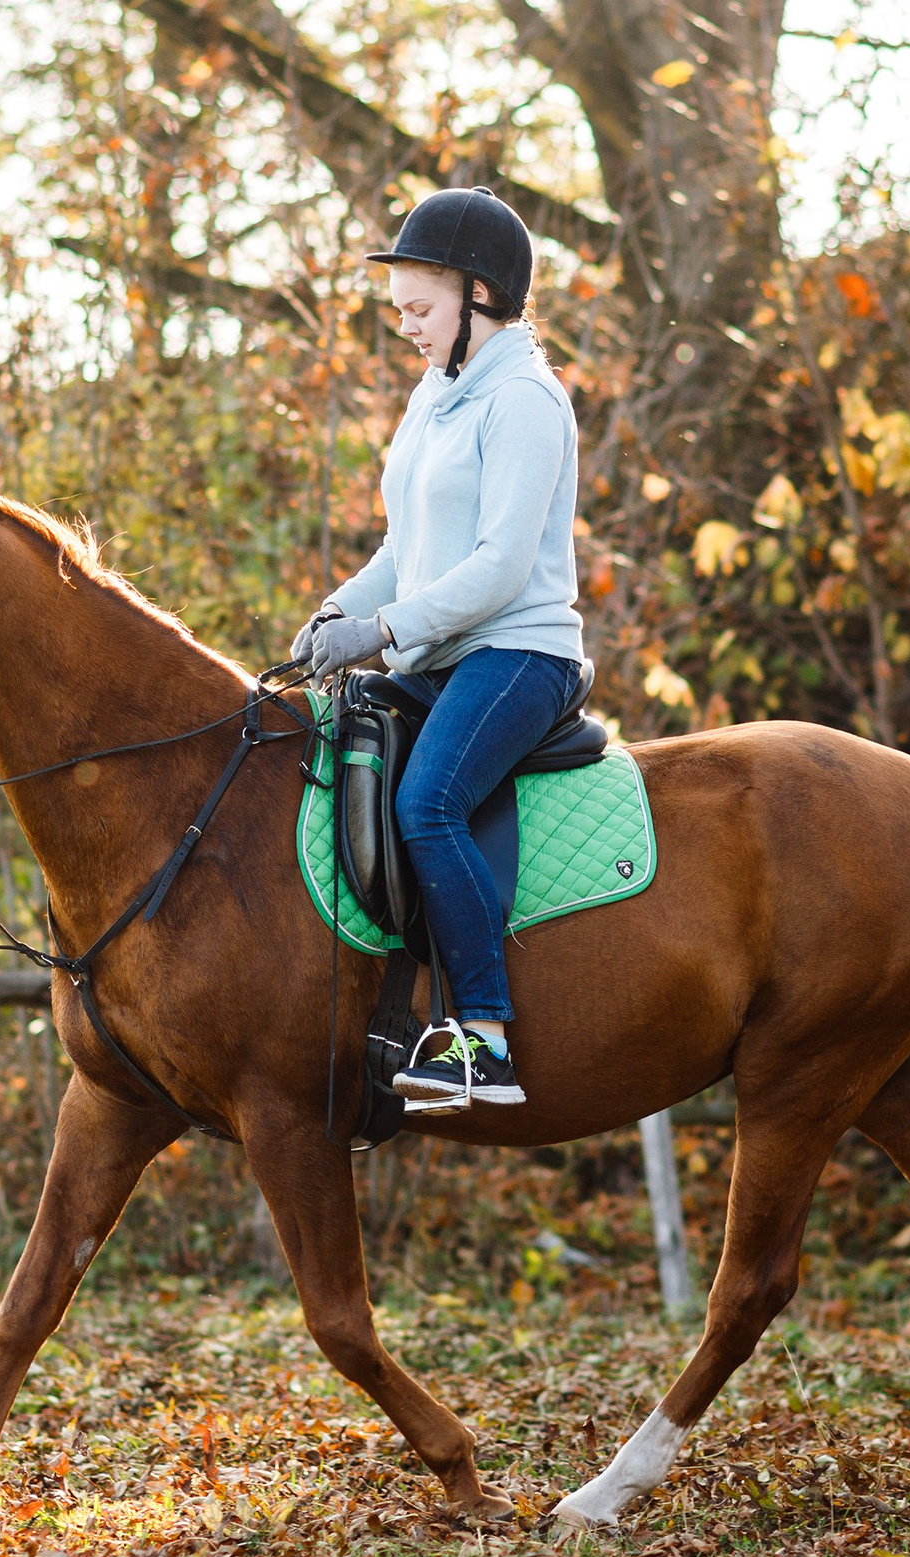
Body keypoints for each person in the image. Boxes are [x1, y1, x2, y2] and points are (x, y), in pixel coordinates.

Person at [292, 186, 587, 1111]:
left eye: (420, 309)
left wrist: (377, 633)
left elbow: (500, 569)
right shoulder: (437, 396)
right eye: (402, 312)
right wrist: (334, 611)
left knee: (426, 803)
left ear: (480, 296)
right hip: (439, 652)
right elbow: (406, 548)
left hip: (518, 654)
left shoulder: (528, 402)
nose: (408, 328)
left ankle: (484, 1040)